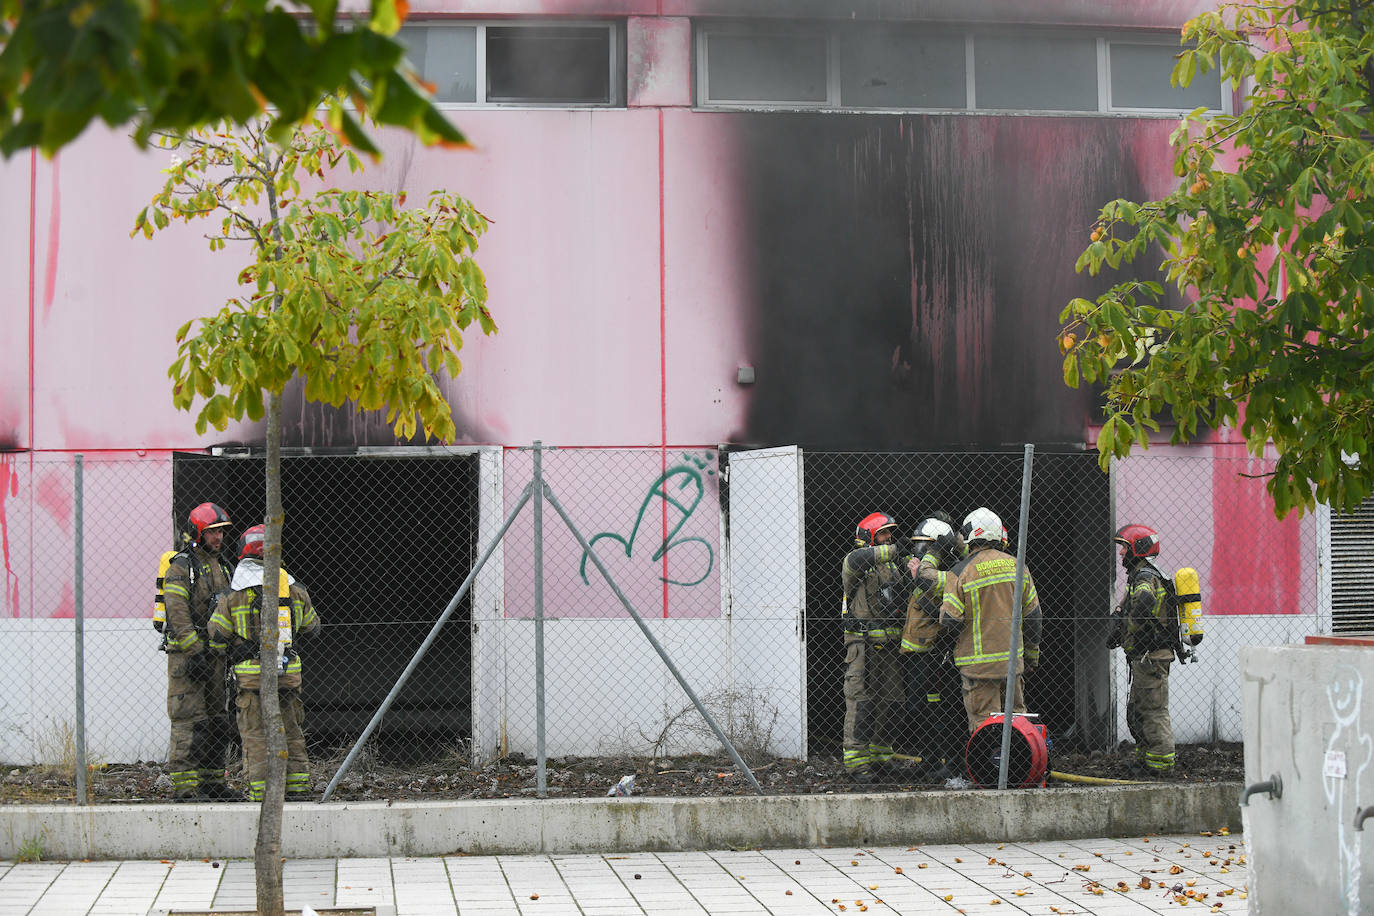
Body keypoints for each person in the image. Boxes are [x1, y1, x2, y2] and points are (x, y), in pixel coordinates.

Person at [209, 524, 320, 801]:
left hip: (252, 678)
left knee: (256, 737)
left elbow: (217, 635)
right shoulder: (292, 587)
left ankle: (261, 795)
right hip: (288, 675)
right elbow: (312, 626)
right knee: (292, 731)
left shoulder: (234, 594)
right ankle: (297, 789)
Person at [939, 507, 1043, 733]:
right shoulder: (1018, 567)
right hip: (1012, 665)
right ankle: (1017, 768)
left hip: (978, 668)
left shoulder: (959, 571)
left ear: (970, 536)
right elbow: (1034, 618)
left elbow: (950, 622)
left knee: (985, 728)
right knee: (1017, 725)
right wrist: (1031, 658)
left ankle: (988, 768)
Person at [161, 502, 237, 801]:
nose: (218, 538)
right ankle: (186, 787)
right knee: (188, 720)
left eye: (221, 532)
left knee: (217, 720)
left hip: (216, 658)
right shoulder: (181, 567)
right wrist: (194, 651)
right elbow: (177, 611)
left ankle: (212, 783)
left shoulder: (224, 566)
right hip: (188, 658)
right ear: (197, 533)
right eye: (212, 532)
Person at [839, 512, 913, 783]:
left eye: (890, 534)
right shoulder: (855, 562)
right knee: (863, 704)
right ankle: (857, 765)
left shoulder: (894, 565)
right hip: (863, 646)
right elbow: (859, 560)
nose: (889, 538)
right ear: (869, 536)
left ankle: (881, 758)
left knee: (893, 705)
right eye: (883, 533)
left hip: (891, 648)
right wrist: (894, 550)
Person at [899, 513, 967, 779]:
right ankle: (929, 759)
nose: (920, 551)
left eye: (925, 545)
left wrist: (921, 572)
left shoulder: (949, 572)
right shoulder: (927, 571)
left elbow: (940, 611)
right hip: (917, 654)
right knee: (919, 710)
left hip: (935, 655)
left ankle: (948, 762)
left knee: (941, 711)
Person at [1108, 523, 1176, 777]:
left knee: (1153, 711)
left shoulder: (1145, 577)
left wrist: (1134, 635)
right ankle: (1145, 760)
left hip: (1151, 656)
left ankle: (1160, 766)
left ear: (1138, 548)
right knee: (1138, 710)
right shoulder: (1142, 575)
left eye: (1124, 547)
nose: (1121, 553)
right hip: (1145, 657)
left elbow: (1145, 602)